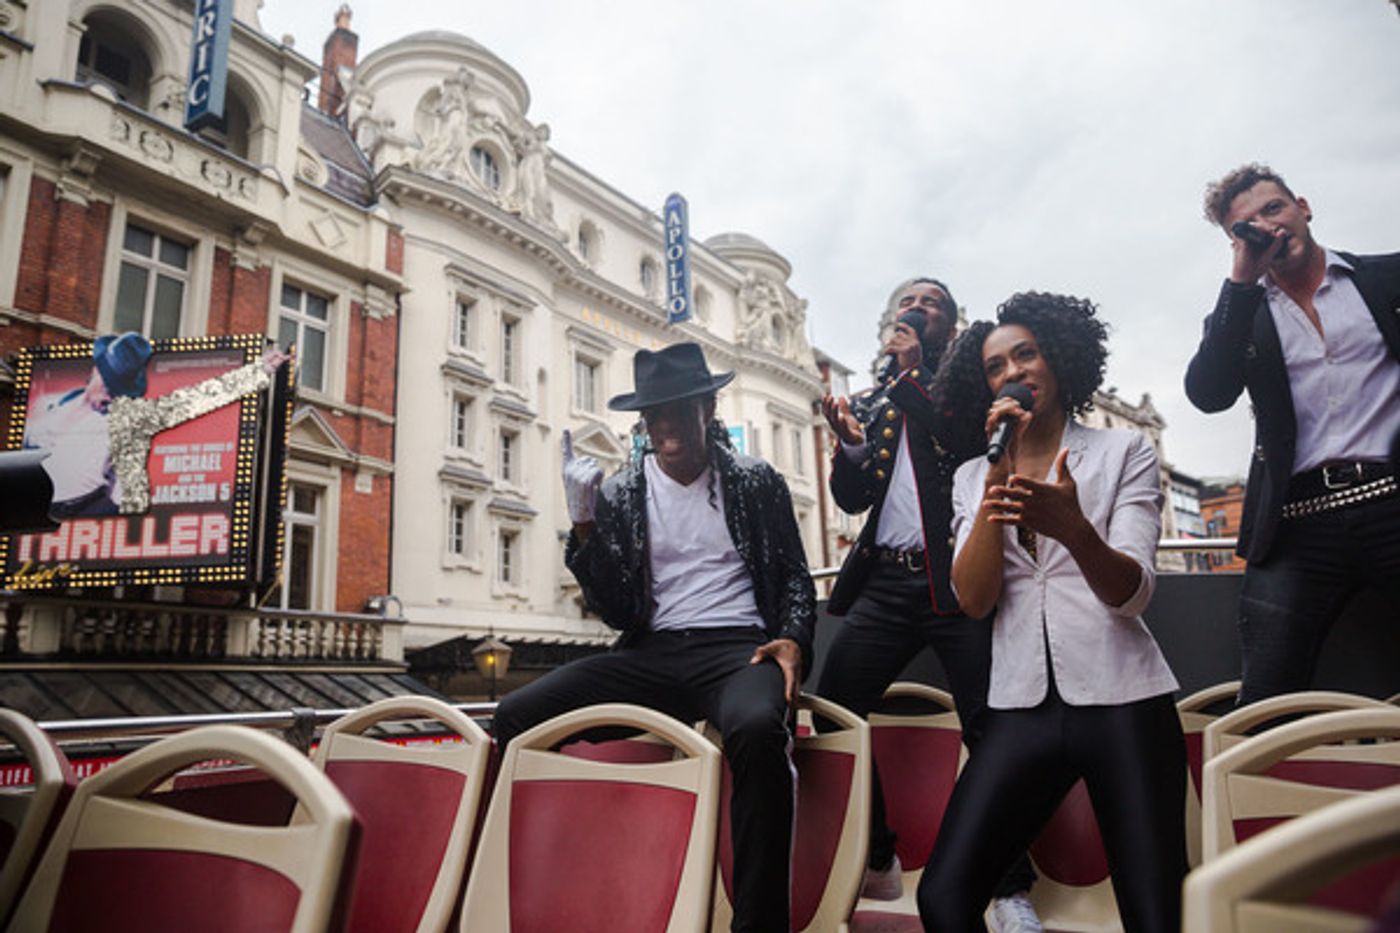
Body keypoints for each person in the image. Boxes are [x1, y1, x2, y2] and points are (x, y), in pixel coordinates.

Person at [492, 341, 816, 933]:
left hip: (739, 649)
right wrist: (584, 527)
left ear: (708, 409)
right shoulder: (620, 492)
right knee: (517, 716)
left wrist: (793, 637)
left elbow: (795, 575)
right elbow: (617, 611)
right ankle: (556, 894)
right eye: (655, 414)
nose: (668, 426)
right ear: (643, 422)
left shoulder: (755, 480)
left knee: (755, 730)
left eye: (680, 410)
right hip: (653, 652)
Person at [920, 293, 1186, 933]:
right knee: (944, 896)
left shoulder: (1124, 453)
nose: (1012, 372)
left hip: (1124, 698)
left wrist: (1074, 528)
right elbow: (974, 601)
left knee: (1154, 912)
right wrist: (995, 484)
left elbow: (1132, 594)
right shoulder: (971, 477)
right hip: (1022, 707)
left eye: (1026, 354)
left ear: (1060, 361)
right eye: (995, 366)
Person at [817, 277, 1040, 931]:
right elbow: (854, 497)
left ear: (949, 323)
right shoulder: (880, 397)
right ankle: (878, 854)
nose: (915, 309)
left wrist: (913, 374)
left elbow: (964, 443)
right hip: (886, 583)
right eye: (907, 302)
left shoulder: (968, 383)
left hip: (953, 581)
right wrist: (850, 445)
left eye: (930, 303)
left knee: (991, 728)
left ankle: (1008, 888)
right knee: (834, 712)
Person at [1184, 164, 1400, 706]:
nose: (1268, 227)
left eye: (1274, 209)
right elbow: (1208, 393)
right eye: (1247, 226)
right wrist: (1241, 281)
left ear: (1303, 207)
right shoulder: (1244, 313)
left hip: (1393, 495)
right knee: (1265, 696)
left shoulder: (1385, 278)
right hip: (1300, 522)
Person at [23, 332, 287, 519]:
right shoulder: (46, 405)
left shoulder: (129, 418)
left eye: (120, 392)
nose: (111, 398)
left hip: (79, 516)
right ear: (96, 371)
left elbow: (194, 399)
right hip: (28, 512)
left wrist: (257, 372)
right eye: (109, 387)